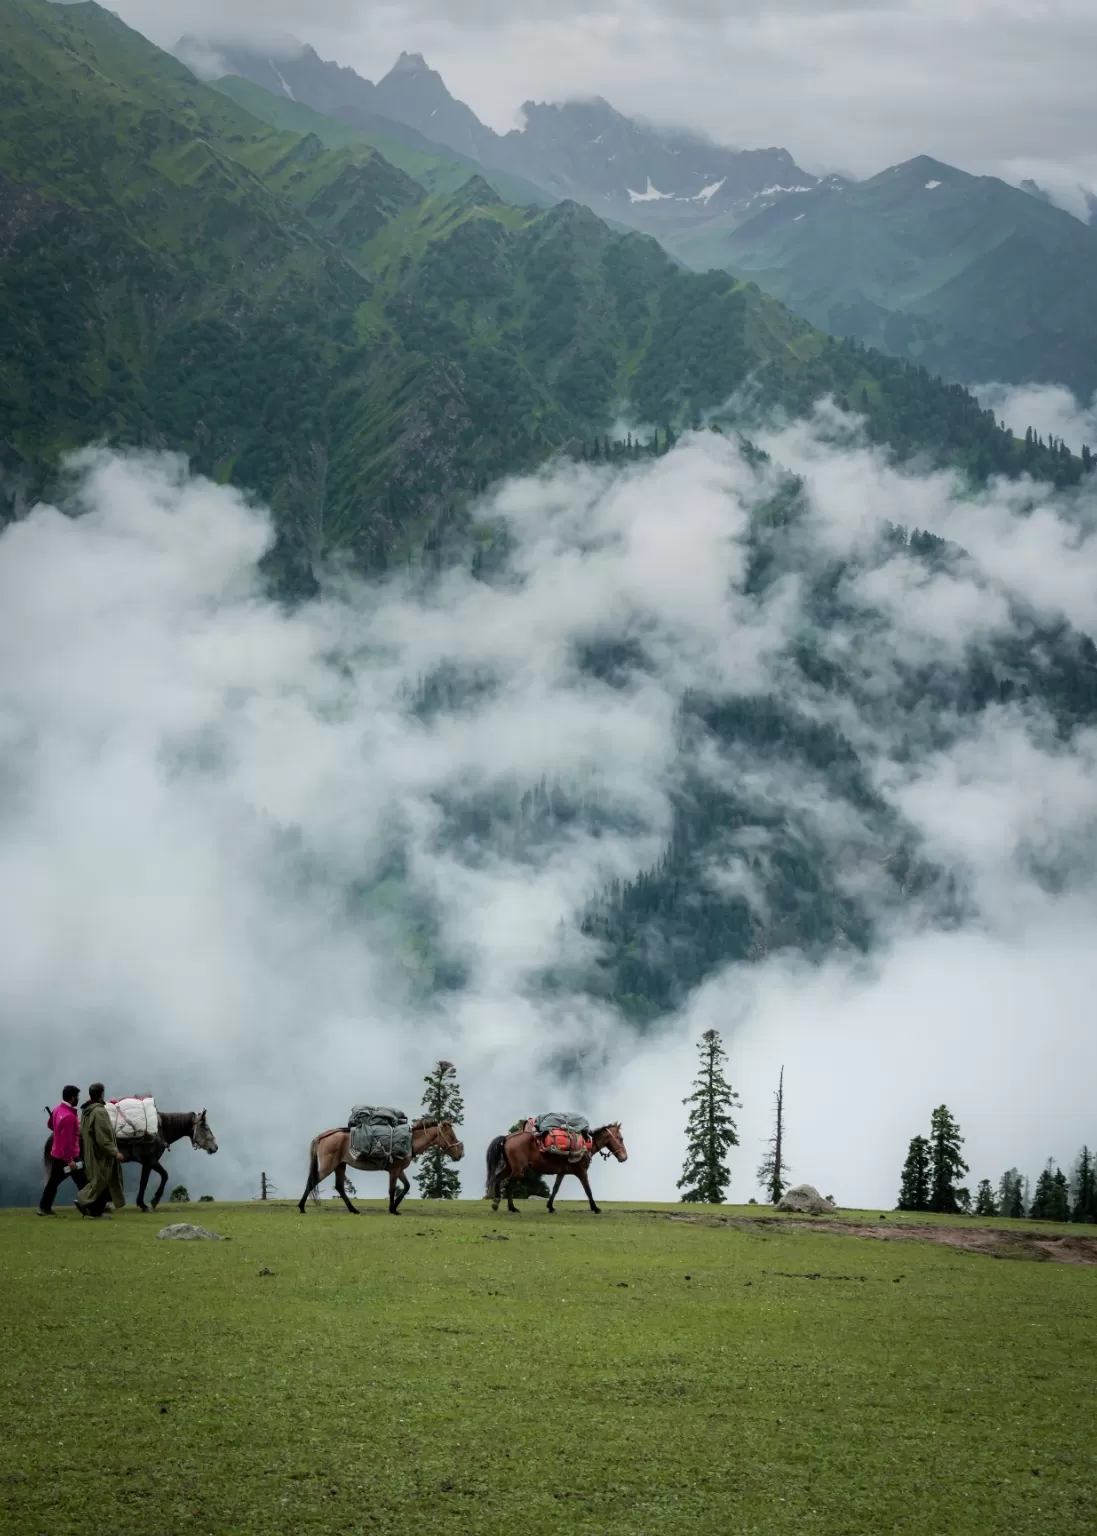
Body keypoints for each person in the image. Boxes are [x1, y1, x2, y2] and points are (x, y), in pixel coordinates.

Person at [76, 1084, 126, 1219]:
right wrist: (115, 1152)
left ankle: (96, 1212)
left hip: (89, 1152)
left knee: (101, 1181)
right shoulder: (99, 1112)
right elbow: (103, 1136)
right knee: (100, 1180)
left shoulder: (87, 1111)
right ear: (101, 1094)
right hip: (100, 1154)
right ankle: (82, 1200)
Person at [39, 1085, 87, 1215]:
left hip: (57, 1153)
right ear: (72, 1098)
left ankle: (44, 1207)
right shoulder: (70, 1117)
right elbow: (66, 1142)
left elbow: (50, 1124)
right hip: (69, 1155)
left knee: (53, 1182)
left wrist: (58, 1133)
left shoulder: (57, 1109)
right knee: (84, 1181)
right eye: (77, 1097)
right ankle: (90, 1207)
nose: (78, 1099)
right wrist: (70, 1161)